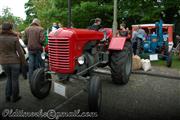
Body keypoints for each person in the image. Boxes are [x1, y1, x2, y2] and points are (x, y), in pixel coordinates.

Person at [0, 22, 26, 102]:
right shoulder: (14, 38)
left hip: (4, 62)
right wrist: (24, 62)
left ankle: (7, 96)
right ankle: (15, 97)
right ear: (11, 29)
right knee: (14, 80)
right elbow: (20, 52)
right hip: (14, 61)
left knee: (9, 78)